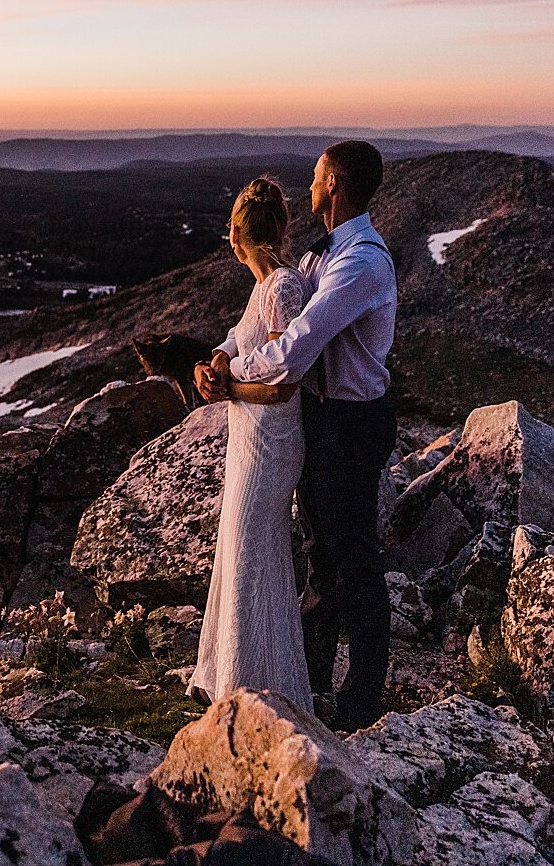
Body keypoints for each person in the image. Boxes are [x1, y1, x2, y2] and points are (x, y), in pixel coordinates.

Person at [197, 141, 397, 730]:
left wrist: (230, 379)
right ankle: (305, 684)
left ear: (334, 185)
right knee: (320, 556)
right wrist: (220, 354)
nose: (307, 188)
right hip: (320, 420)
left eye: (315, 178)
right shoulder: (317, 258)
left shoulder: (362, 263)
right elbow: (255, 321)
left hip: (353, 423)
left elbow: (295, 347)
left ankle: (361, 699)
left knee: (354, 558)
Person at [186, 177, 314, 711]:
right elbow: (239, 339)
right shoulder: (263, 288)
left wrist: (228, 389)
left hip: (271, 439)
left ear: (237, 238)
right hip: (250, 438)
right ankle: (232, 676)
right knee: (238, 550)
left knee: (253, 552)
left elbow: (285, 381)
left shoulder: (283, 289)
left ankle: (255, 689)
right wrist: (210, 364)